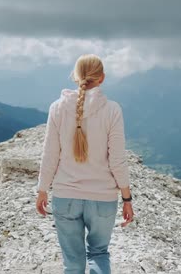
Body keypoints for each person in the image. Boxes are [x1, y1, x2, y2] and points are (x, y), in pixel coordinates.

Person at [36, 53, 134, 274]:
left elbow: (50, 154)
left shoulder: (57, 108)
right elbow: (117, 160)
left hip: (65, 195)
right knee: (98, 254)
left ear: (75, 76)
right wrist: (127, 198)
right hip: (103, 199)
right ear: (102, 78)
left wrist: (42, 190)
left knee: (72, 262)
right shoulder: (112, 110)